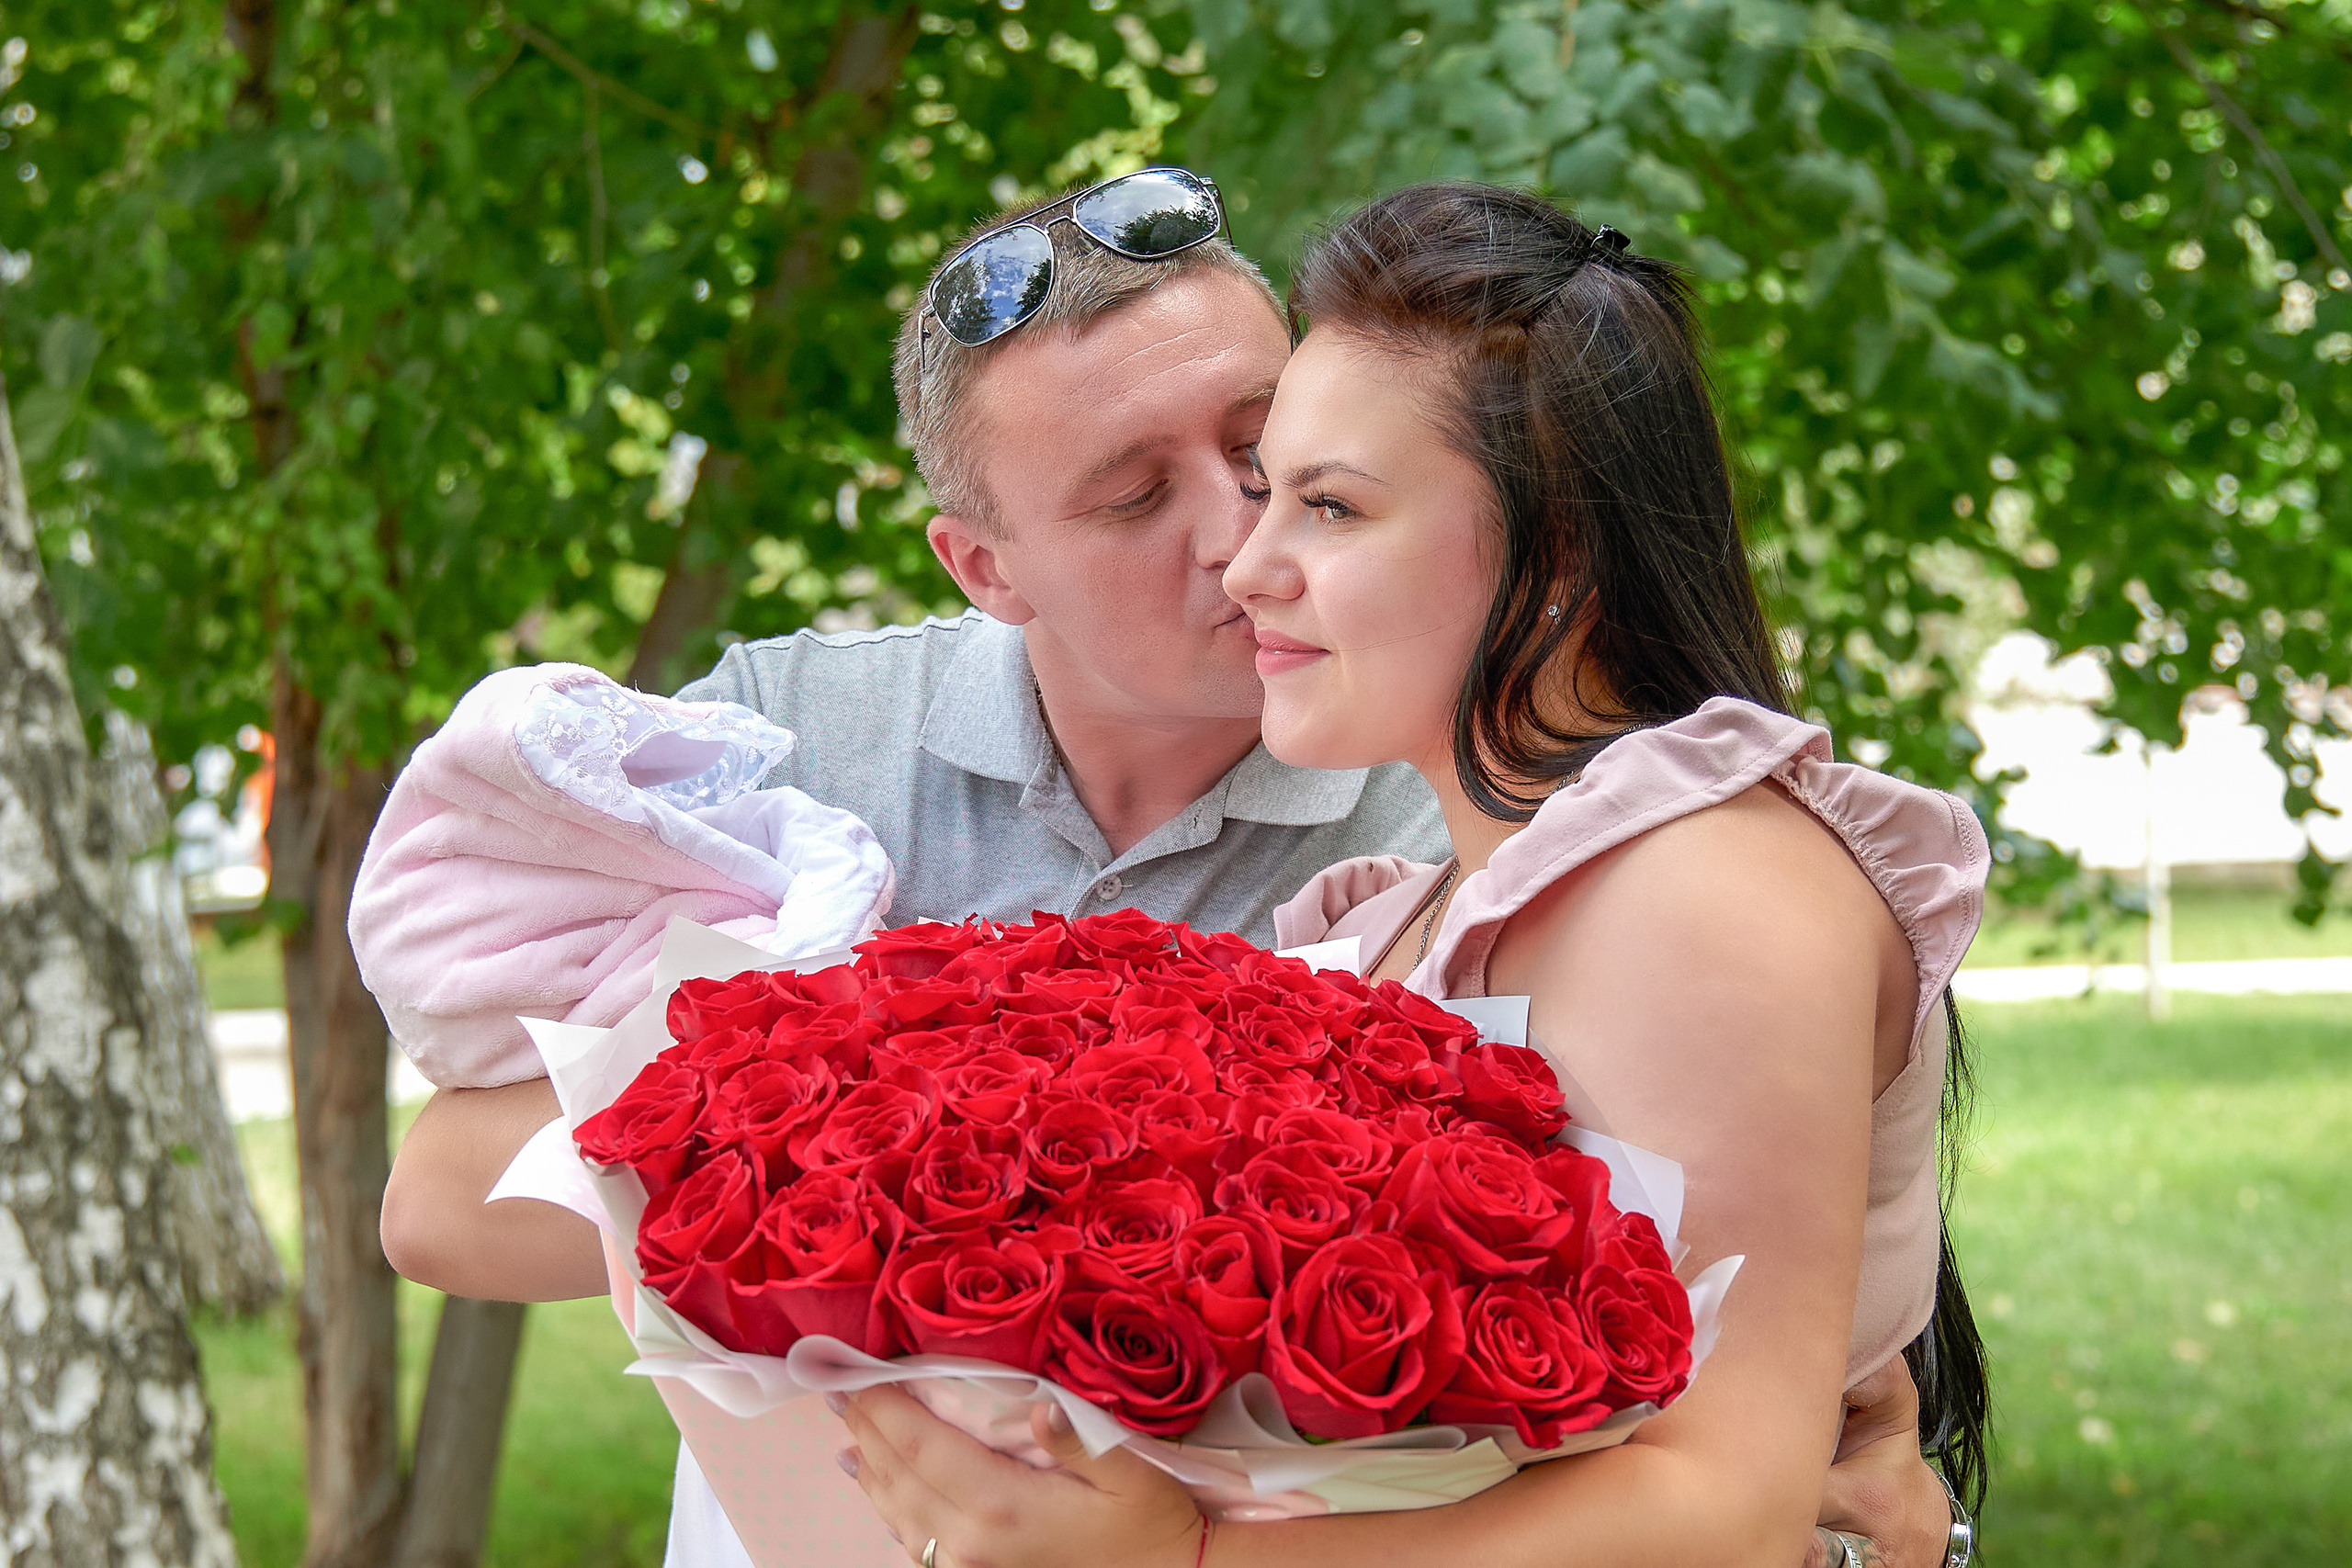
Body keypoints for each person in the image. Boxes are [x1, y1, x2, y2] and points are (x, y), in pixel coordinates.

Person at [376, 173, 1960, 1566]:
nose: (1240, 547)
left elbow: (1737, 1450)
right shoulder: (795, 742)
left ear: (1550, 539)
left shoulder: (1618, 858)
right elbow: (445, 1199)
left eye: (1294, 481)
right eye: (1139, 498)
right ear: (986, 568)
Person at [826, 185, 1989, 1567]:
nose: (1248, 564)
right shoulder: (1442, 899)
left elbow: (1723, 1510)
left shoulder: (1703, 888)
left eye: (1320, 503)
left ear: (1554, 547)